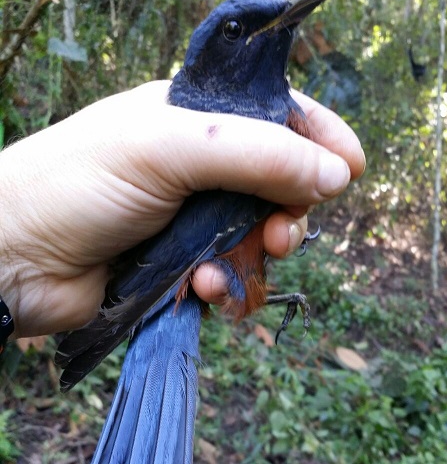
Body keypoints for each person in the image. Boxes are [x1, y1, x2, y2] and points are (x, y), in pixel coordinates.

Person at [0, 80, 365, 340]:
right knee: (221, 276)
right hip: (163, 299)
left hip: (151, 285)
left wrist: (14, 258)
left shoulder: (261, 126)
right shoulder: (234, 141)